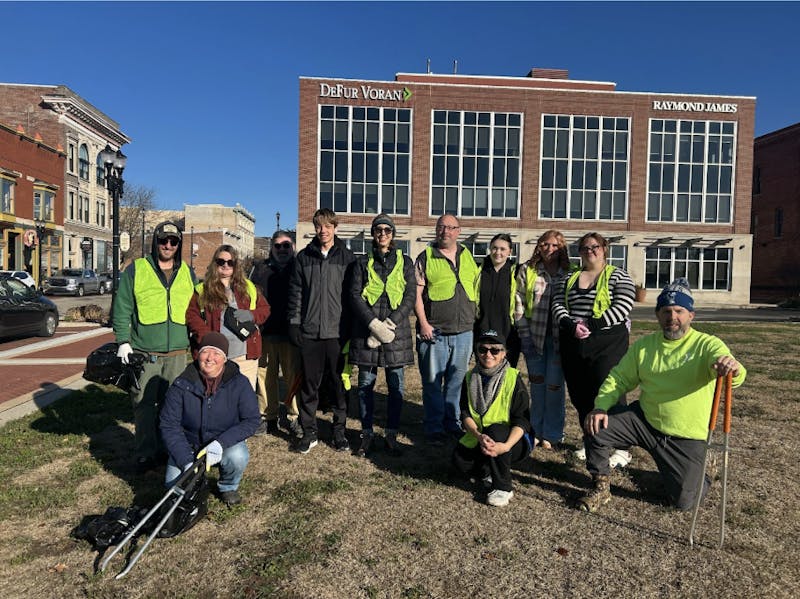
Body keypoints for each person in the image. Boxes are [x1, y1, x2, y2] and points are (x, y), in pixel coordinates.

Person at [577, 279, 746, 512]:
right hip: (645, 421)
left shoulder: (707, 345)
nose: (672, 317)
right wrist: (600, 407)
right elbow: (619, 378)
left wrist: (731, 368)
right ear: (657, 314)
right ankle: (601, 486)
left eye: (679, 311)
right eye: (666, 311)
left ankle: (702, 473)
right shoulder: (645, 346)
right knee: (596, 426)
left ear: (691, 315)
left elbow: (734, 374)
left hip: (684, 435)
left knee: (684, 503)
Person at [113, 221, 196, 473]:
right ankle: (146, 453)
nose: (168, 246)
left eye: (173, 242)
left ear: (178, 245)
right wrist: (123, 341)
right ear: (155, 242)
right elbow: (123, 306)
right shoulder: (137, 270)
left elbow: (198, 307)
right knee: (144, 405)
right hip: (145, 352)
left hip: (179, 354)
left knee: (174, 406)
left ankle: (170, 449)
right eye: (163, 241)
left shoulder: (188, 273)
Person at [551, 232, 635, 467]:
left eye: (594, 246)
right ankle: (593, 441)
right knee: (581, 394)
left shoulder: (618, 275)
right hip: (574, 342)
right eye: (584, 247)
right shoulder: (569, 277)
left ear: (604, 249)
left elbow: (624, 305)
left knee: (610, 392)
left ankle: (621, 447)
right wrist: (570, 324)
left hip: (607, 342)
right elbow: (557, 303)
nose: (590, 251)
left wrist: (591, 324)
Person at [160, 332, 260, 507]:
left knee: (238, 456)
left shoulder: (240, 383)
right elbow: (169, 425)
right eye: (206, 352)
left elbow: (251, 420)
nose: (210, 358)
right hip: (189, 445)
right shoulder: (181, 384)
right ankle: (192, 473)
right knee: (173, 489)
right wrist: (186, 461)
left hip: (223, 442)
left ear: (225, 359)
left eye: (217, 353)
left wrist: (220, 443)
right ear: (198, 354)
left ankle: (228, 486)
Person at [288, 208, 356, 454]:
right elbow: (295, 294)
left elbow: (352, 297)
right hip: (310, 333)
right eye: (319, 226)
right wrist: (295, 323)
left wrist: (350, 329)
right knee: (309, 386)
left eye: (328, 226)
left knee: (339, 386)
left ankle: (339, 433)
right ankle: (309, 432)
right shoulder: (303, 257)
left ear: (335, 228)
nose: (323, 231)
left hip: (337, 334)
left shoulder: (347, 258)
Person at [348, 214, 416, 457]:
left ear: (393, 235)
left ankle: (391, 434)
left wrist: (390, 323)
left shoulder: (405, 262)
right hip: (368, 331)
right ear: (373, 234)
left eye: (387, 230)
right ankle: (366, 434)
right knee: (365, 386)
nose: (383, 234)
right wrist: (373, 323)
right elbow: (354, 295)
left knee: (396, 387)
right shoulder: (361, 262)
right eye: (379, 230)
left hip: (396, 333)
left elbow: (410, 297)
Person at [414, 214, 480, 446]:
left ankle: (452, 423)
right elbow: (417, 295)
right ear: (436, 230)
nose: (446, 232)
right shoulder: (426, 257)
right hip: (435, 332)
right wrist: (423, 324)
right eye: (441, 227)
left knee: (456, 381)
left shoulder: (468, 255)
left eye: (451, 228)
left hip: (464, 332)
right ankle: (434, 426)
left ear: (458, 231)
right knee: (432, 382)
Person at [453, 329, 532, 507]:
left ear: (504, 353)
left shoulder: (513, 378)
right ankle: (490, 468)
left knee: (495, 430)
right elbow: (465, 413)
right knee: (459, 462)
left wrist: (505, 446)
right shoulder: (469, 377)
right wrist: (478, 436)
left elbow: (522, 420)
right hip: (482, 437)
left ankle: (503, 487)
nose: (488, 354)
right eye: (483, 349)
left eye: (495, 350)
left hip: (512, 440)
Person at [515, 230, 571, 450]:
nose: (549, 249)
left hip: (560, 340)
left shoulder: (569, 272)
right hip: (534, 338)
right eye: (545, 244)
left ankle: (553, 433)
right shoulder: (527, 271)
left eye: (555, 245)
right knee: (537, 387)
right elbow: (518, 302)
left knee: (555, 387)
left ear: (562, 248)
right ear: (538, 246)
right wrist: (524, 335)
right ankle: (536, 430)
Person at [186, 244, 270, 391]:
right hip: (216, 357)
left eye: (230, 262)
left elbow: (265, 309)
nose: (226, 265)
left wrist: (251, 315)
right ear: (215, 264)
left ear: (236, 265)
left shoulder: (249, 287)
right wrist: (206, 337)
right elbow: (192, 315)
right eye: (221, 262)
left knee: (244, 397)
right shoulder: (203, 290)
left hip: (245, 356)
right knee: (217, 397)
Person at [250, 230, 303, 437]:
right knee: (264, 378)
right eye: (278, 246)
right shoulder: (260, 269)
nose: (282, 249)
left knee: (292, 377)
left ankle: (293, 417)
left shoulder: (299, 268)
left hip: (291, 333)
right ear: (271, 247)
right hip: (265, 333)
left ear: (293, 247)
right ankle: (267, 417)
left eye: (286, 245)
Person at [475, 233, 521, 367]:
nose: (498, 252)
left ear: (510, 251)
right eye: (494, 248)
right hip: (482, 331)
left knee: (507, 374)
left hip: (508, 333)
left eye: (503, 249)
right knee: (484, 374)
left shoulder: (516, 272)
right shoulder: (479, 270)